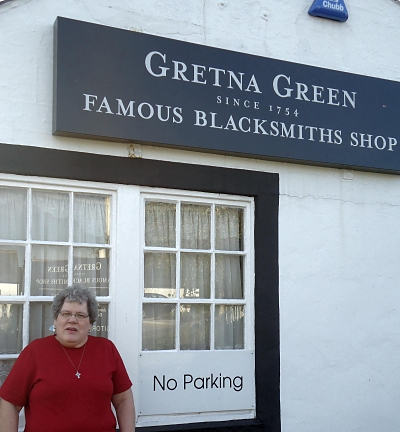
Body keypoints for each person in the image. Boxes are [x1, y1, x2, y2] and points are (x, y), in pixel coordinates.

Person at [0, 285, 135, 432]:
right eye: (66, 314)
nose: (72, 320)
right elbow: (10, 403)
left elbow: (123, 400)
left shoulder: (106, 349)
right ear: (55, 321)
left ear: (90, 324)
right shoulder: (35, 352)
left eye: (81, 315)